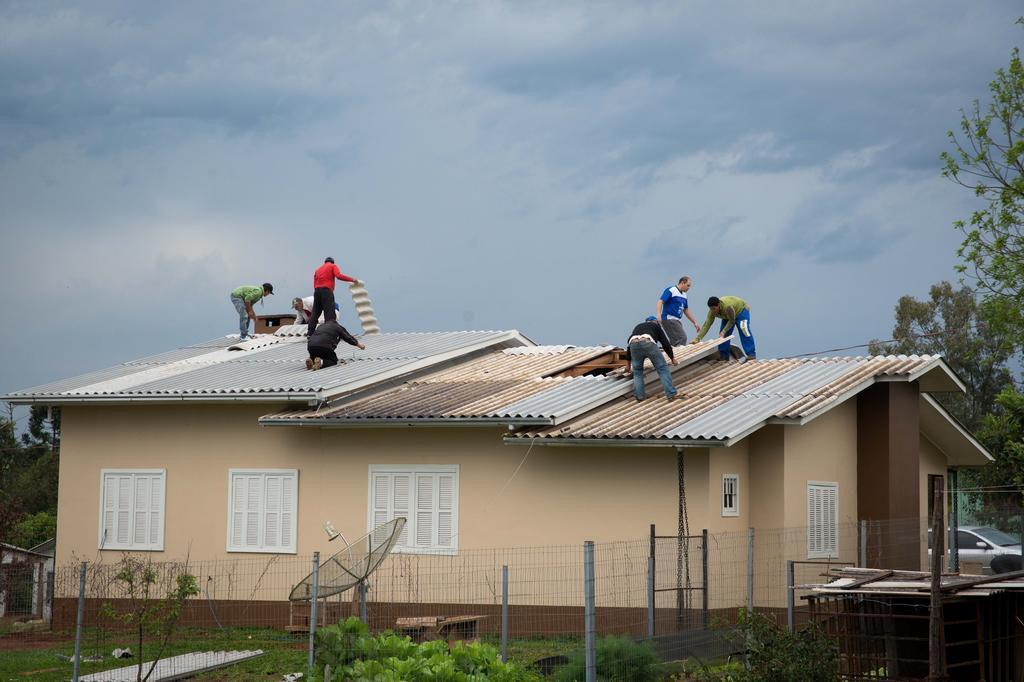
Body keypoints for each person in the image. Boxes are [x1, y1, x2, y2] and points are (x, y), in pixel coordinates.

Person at [625, 316, 678, 402]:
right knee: (662, 368)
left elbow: (628, 348)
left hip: (633, 344)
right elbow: (665, 344)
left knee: (637, 372)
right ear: (656, 322)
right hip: (647, 342)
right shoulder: (656, 326)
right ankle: (671, 394)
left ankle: (640, 396)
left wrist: (628, 366)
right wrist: (672, 358)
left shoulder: (638, 326)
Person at [691, 296, 756, 361]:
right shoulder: (711, 312)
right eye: (711, 309)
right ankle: (724, 356)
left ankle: (751, 355)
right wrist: (698, 338)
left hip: (741, 311)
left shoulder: (727, 307)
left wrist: (724, 331)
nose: (713, 311)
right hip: (727, 316)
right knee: (723, 336)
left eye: (714, 308)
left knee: (744, 329)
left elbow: (732, 321)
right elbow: (707, 325)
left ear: (718, 305)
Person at [309, 257, 358, 337]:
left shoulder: (317, 269)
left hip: (317, 291)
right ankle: (329, 332)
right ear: (332, 262)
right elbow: (338, 276)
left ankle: (310, 333)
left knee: (315, 312)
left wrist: (318, 289)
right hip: (326, 290)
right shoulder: (332, 266)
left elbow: (314, 283)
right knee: (329, 312)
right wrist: (352, 279)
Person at [656, 276, 700, 346]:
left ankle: (672, 355)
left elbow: (685, 310)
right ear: (682, 283)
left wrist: (694, 322)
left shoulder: (684, 295)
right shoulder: (672, 290)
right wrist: (658, 314)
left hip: (677, 321)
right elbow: (660, 301)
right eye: (688, 285)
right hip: (669, 319)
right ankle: (680, 356)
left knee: (675, 342)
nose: (689, 288)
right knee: (682, 338)